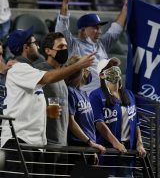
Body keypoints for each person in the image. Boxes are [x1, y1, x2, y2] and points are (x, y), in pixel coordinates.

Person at [0, 27, 95, 177]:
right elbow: (48, 77)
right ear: (25, 47)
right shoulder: (19, 69)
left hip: (33, 143)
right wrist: (78, 65)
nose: (37, 46)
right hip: (18, 141)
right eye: (34, 43)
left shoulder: (27, 70)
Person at [55, 0, 130, 95]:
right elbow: (61, 28)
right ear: (83, 30)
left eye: (99, 27)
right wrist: (65, 3)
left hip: (105, 95)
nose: (99, 30)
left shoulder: (102, 43)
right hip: (85, 96)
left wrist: (126, 7)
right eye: (95, 27)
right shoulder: (73, 45)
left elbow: (116, 29)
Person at [90, 57, 146, 177]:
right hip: (108, 152)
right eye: (109, 68)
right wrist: (116, 143)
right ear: (101, 75)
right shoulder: (96, 95)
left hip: (128, 152)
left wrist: (139, 143)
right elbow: (99, 123)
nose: (114, 70)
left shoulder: (129, 95)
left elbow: (136, 122)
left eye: (115, 66)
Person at [33, 32, 69, 177]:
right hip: (46, 145)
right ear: (48, 51)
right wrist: (44, 110)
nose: (64, 50)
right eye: (60, 46)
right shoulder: (40, 70)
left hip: (64, 145)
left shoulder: (61, 74)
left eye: (66, 46)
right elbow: (29, 101)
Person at [65, 55, 105, 169]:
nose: (88, 72)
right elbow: (71, 122)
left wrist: (93, 149)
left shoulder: (83, 93)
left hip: (89, 149)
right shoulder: (70, 91)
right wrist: (89, 143)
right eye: (86, 69)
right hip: (78, 149)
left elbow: (89, 125)